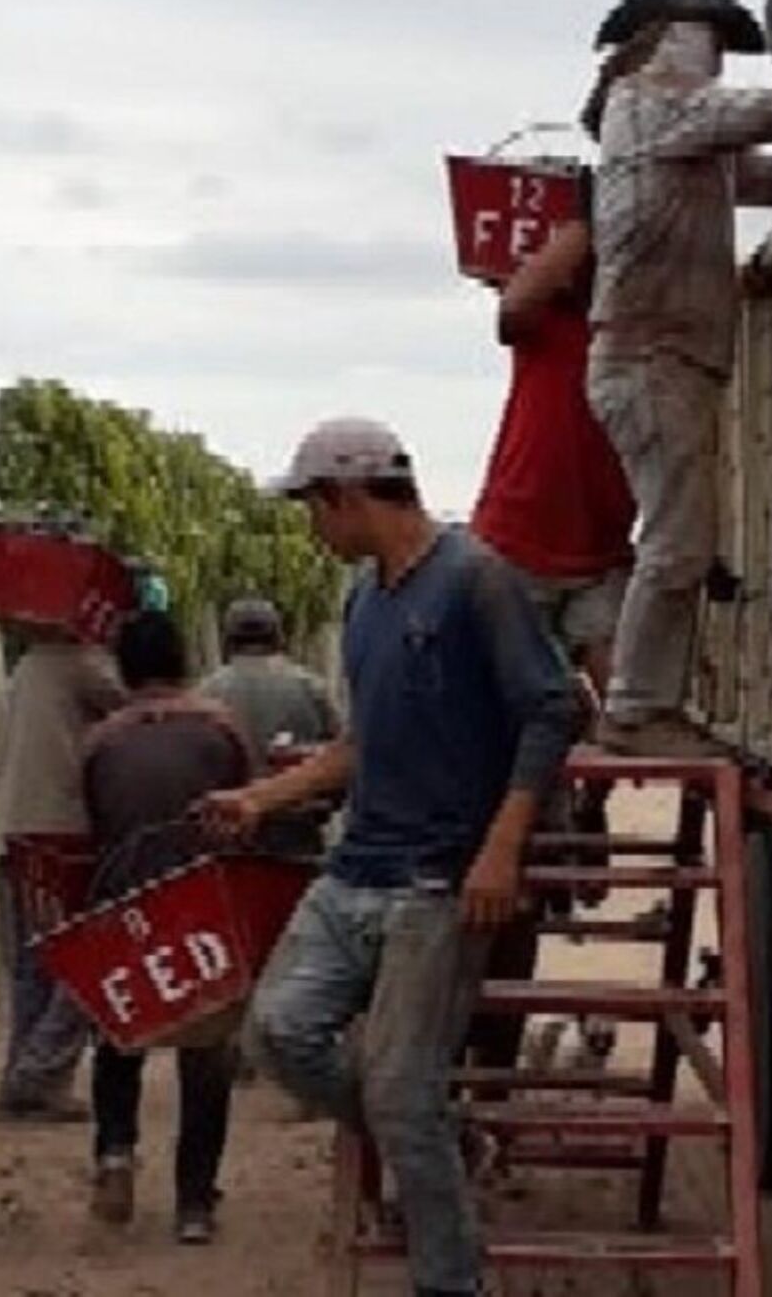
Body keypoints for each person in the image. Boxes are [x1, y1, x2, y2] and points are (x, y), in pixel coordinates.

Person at [205, 419, 581, 1297]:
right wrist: (260, 799)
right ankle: (448, 1143)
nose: (311, 528)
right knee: (276, 1032)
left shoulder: (476, 580)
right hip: (357, 869)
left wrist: (502, 848)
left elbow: (550, 710)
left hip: (439, 881)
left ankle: (451, 1279)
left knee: (401, 1089)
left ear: (348, 497)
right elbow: (362, 743)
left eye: (312, 509)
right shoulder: (363, 601)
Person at [583, 0, 772, 757]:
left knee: (682, 537)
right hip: (652, 355)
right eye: (703, 38)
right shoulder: (650, 101)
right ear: (668, 38)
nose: (710, 57)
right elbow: (765, 113)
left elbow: (765, 170)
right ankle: (636, 708)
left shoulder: (677, 130)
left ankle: (642, 703)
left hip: (663, 356)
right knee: (676, 541)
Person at [80, 609, 252, 1242]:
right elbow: (244, 812)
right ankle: (194, 1205)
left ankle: (116, 1152)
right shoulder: (222, 729)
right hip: (201, 905)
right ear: (184, 661)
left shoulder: (100, 740)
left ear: (123, 669)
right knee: (208, 1054)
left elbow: (94, 824)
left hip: (122, 903)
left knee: (118, 1035)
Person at [471, 213, 636, 700]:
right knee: (509, 704)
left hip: (594, 547)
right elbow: (513, 309)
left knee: (623, 702)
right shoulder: (551, 324)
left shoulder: (633, 333)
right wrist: (591, 220)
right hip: (522, 543)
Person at [0, 627, 125, 1117]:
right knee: (87, 956)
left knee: (34, 964)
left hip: (12, 824)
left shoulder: (27, 662)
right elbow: (140, 701)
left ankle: (21, 1077)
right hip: (59, 828)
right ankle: (40, 1072)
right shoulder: (82, 661)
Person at [199, 597, 340, 860]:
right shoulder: (311, 687)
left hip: (233, 845)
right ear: (278, 636)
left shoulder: (207, 693)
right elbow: (339, 768)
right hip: (299, 839)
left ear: (228, 640)